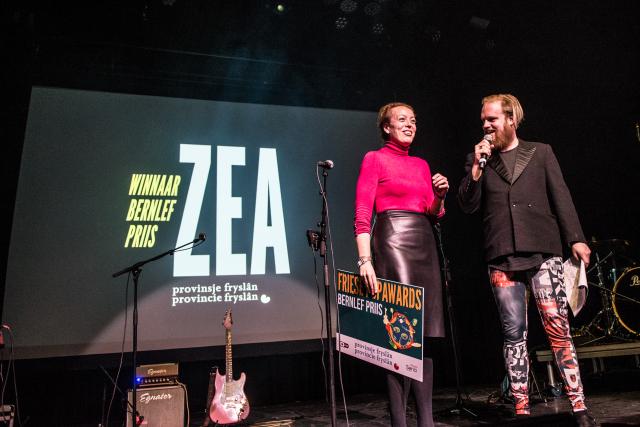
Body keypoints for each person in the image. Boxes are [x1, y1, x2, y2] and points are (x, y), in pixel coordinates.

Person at [457, 94, 596, 426]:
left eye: (491, 119)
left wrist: (575, 238)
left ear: (510, 119)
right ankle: (522, 409)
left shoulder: (541, 152)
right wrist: (476, 168)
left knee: (558, 328)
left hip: (543, 252)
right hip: (502, 255)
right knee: (513, 332)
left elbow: (561, 195)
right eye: (483, 121)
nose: (485, 126)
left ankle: (579, 405)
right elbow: (467, 204)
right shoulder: (478, 159)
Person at [354, 102, 449, 427]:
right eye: (402, 120)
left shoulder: (421, 164)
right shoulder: (374, 159)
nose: (410, 124)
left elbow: (433, 212)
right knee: (402, 332)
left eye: (414, 120)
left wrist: (440, 195)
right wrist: (365, 259)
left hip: (424, 241)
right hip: (392, 240)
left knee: (427, 333)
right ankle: (399, 421)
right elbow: (363, 213)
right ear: (386, 126)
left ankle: (427, 420)